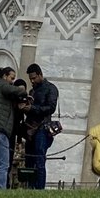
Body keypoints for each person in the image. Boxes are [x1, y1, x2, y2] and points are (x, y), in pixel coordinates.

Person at [23, 62, 59, 190]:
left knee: (39, 158)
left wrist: (32, 108)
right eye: (30, 79)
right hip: (30, 128)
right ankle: (29, 187)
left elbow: (51, 108)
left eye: (34, 78)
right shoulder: (32, 90)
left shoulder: (51, 88)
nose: (32, 81)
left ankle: (39, 189)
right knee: (29, 160)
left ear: (40, 75)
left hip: (42, 128)